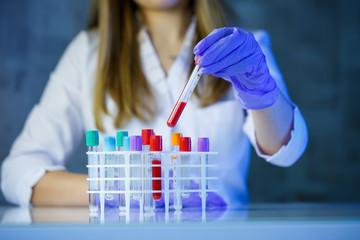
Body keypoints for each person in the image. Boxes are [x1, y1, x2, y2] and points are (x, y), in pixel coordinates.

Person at [1, 0, 308, 208]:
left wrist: (260, 90)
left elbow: (287, 151)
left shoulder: (242, 48)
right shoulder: (88, 53)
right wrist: (118, 190)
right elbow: (18, 172)